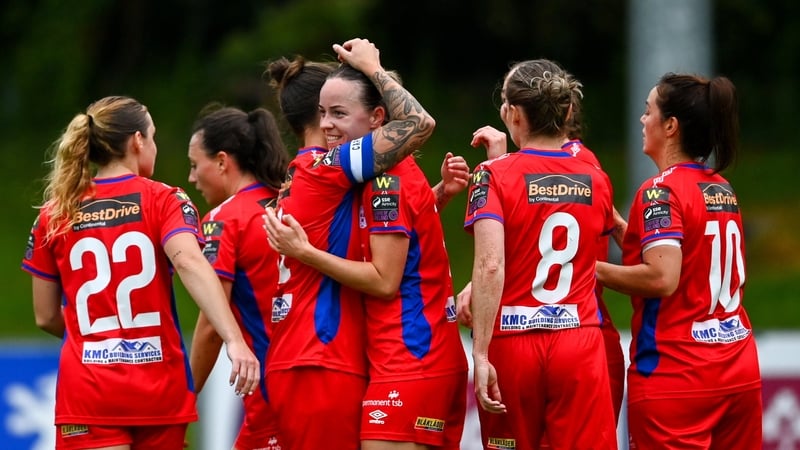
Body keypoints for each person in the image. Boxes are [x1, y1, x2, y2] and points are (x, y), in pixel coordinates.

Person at [20, 96, 259, 450]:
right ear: (137, 141)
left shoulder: (55, 213)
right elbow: (190, 263)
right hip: (158, 390)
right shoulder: (165, 200)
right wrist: (235, 340)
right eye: (153, 136)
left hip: (88, 392)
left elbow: (45, 316)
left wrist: (96, 340)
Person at [263, 61, 469, 450]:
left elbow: (385, 278)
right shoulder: (372, 177)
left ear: (378, 118)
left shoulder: (376, 180)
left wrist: (305, 253)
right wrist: (436, 196)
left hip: (406, 357)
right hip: (414, 356)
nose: (327, 124)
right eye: (323, 113)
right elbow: (398, 240)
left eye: (338, 113)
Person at [595, 73, 762, 448]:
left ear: (670, 126)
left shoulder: (660, 190)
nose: (642, 120)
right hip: (737, 370)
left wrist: (589, 269)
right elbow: (691, 259)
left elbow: (662, 277)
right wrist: (621, 228)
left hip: (677, 376)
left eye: (648, 111)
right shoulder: (720, 186)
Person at [456, 61, 626, 427]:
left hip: (514, 339)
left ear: (514, 114)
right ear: (565, 111)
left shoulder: (491, 174)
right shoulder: (596, 177)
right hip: (579, 338)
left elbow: (491, 265)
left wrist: (480, 354)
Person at [186, 104, 289, 450]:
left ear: (221, 161)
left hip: (271, 394)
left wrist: (185, 397)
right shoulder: (291, 204)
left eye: (193, 165)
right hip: (323, 380)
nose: (191, 178)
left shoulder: (223, 220)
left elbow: (212, 324)